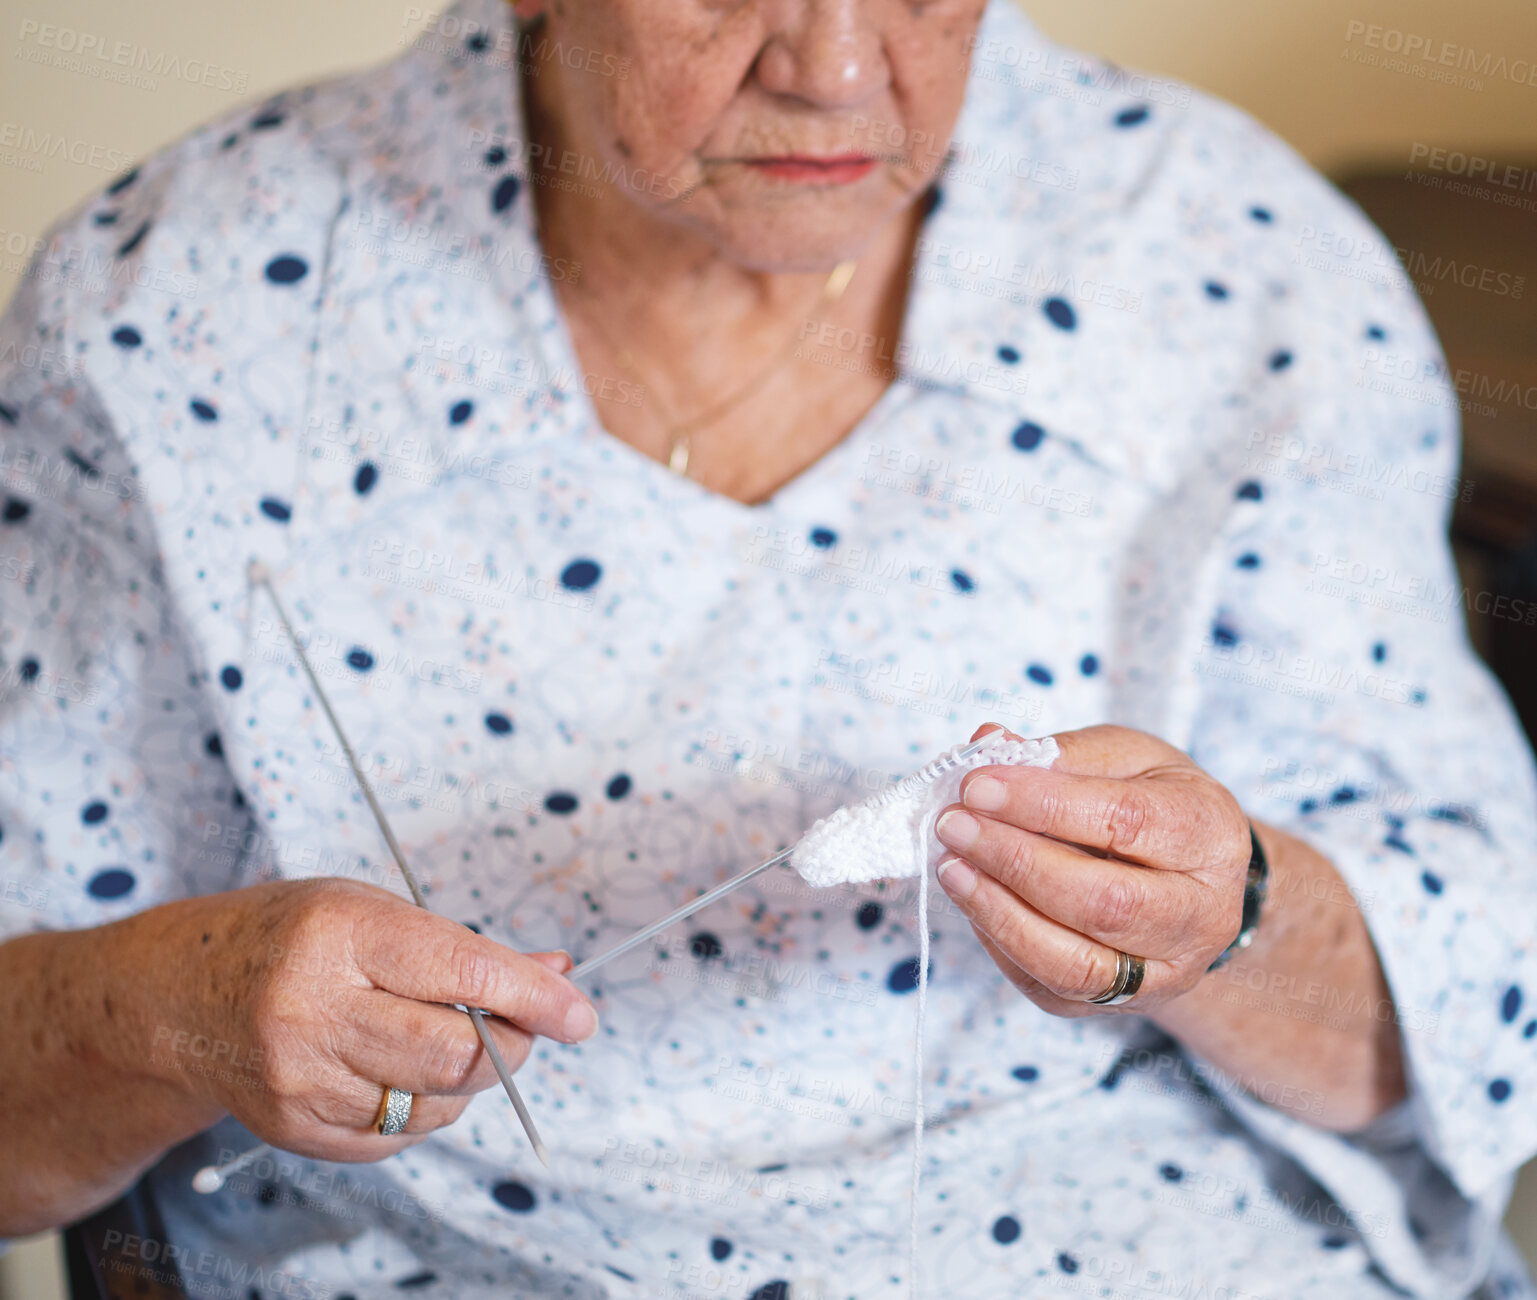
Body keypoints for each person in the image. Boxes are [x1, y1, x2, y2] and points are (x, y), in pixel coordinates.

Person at [1, 0, 1534, 1296]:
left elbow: (1475, 1012)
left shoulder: (1233, 265)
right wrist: (180, 1006)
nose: (836, 67)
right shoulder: (170, 308)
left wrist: (1232, 920)